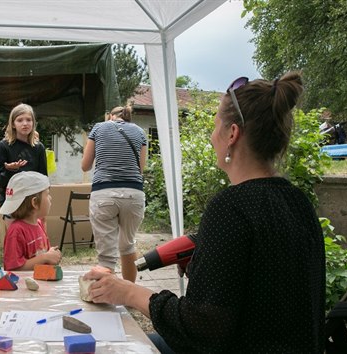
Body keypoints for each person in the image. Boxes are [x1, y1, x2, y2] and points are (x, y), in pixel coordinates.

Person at [84, 72, 326, 353]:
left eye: (215, 126)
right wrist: (205, 270)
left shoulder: (231, 206)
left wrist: (129, 292)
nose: (212, 137)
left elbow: (201, 327)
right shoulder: (299, 201)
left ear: (232, 134)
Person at [80, 105, 147, 283]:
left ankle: (107, 301)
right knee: (127, 245)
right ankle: (128, 294)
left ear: (110, 116)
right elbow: (140, 169)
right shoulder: (140, 132)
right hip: (134, 193)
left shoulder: (99, 128)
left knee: (107, 257)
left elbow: (85, 166)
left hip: (105, 193)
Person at [0, 171, 61, 271]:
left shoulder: (39, 223)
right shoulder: (16, 231)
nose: (50, 198)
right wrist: (45, 258)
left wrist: (51, 254)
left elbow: (42, 253)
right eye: (47, 194)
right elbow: (14, 268)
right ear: (35, 203)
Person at [0, 103, 47, 210]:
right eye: (20, 120)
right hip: (11, 202)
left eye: (28, 120)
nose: (25, 123)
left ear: (33, 123)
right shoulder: (4, 146)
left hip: (32, 203)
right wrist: (10, 170)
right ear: (13, 124)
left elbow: (44, 179)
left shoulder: (39, 148)